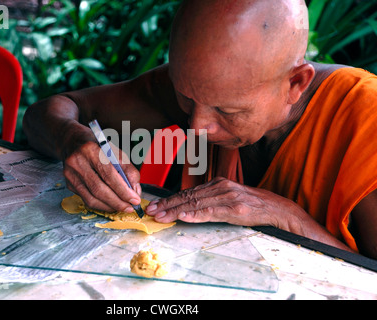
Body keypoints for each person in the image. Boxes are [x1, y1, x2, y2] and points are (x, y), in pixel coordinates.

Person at [23, 0, 377, 259]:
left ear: (296, 84)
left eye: (228, 110)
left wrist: (286, 217)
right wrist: (70, 138)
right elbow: (48, 112)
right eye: (186, 99)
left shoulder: (365, 120)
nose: (196, 127)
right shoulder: (202, 85)